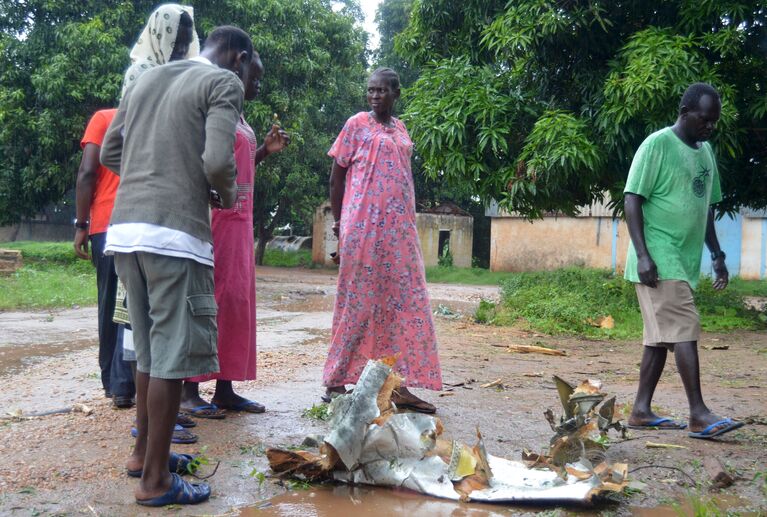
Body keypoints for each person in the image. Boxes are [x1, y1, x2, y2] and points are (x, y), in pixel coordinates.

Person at [100, 26, 254, 506]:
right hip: (176, 236)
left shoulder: (146, 79)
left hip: (126, 232)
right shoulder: (222, 83)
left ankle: (144, 455)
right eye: (253, 75)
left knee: (147, 352)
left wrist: (151, 178)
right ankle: (155, 483)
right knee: (169, 357)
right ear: (240, 59)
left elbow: (110, 152)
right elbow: (215, 161)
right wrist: (224, 195)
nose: (248, 82)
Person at [624, 82, 744, 440]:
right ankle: (698, 414)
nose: (710, 127)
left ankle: (641, 410)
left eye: (714, 122)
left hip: (683, 259)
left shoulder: (705, 153)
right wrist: (643, 255)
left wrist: (717, 254)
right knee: (685, 327)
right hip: (659, 258)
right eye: (705, 119)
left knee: (659, 340)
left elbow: (705, 208)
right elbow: (632, 199)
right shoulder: (657, 144)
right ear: (685, 112)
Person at [321, 67, 442, 413]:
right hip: (363, 228)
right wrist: (339, 221)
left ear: (395, 93)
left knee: (403, 305)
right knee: (357, 304)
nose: (374, 96)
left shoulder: (401, 128)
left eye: (381, 91)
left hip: (400, 232)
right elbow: (337, 177)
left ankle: (395, 384)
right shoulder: (356, 124)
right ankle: (335, 380)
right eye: (370, 90)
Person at [180, 54, 290, 418]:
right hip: (217, 222)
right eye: (254, 78)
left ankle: (225, 388)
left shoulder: (238, 115)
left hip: (241, 223)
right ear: (238, 68)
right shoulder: (214, 105)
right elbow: (205, 161)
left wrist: (263, 152)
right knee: (209, 299)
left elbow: (233, 165)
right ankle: (189, 388)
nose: (258, 85)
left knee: (236, 303)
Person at [116, 2, 201, 440]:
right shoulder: (143, 77)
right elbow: (121, 147)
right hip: (157, 221)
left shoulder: (173, 75)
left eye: (187, 38)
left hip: (130, 221)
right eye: (179, 37)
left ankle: (147, 442)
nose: (184, 46)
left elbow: (118, 151)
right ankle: (150, 454)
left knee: (149, 342)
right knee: (158, 343)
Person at [73, 109, 135, 408]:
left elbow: (87, 173)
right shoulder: (153, 116)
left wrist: (81, 224)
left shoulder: (103, 118)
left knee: (109, 303)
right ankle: (127, 384)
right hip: (141, 222)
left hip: (106, 226)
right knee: (133, 305)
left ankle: (113, 383)